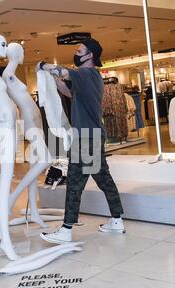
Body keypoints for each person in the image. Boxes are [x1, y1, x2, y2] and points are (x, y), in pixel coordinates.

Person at [37, 38, 125, 245]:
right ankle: (117, 220)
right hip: (91, 135)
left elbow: (65, 72)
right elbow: (69, 92)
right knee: (104, 179)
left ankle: (66, 230)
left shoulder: (86, 73)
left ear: (89, 55)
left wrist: (44, 66)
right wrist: (52, 80)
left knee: (75, 182)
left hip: (86, 137)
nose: (76, 53)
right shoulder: (90, 79)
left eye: (79, 50)